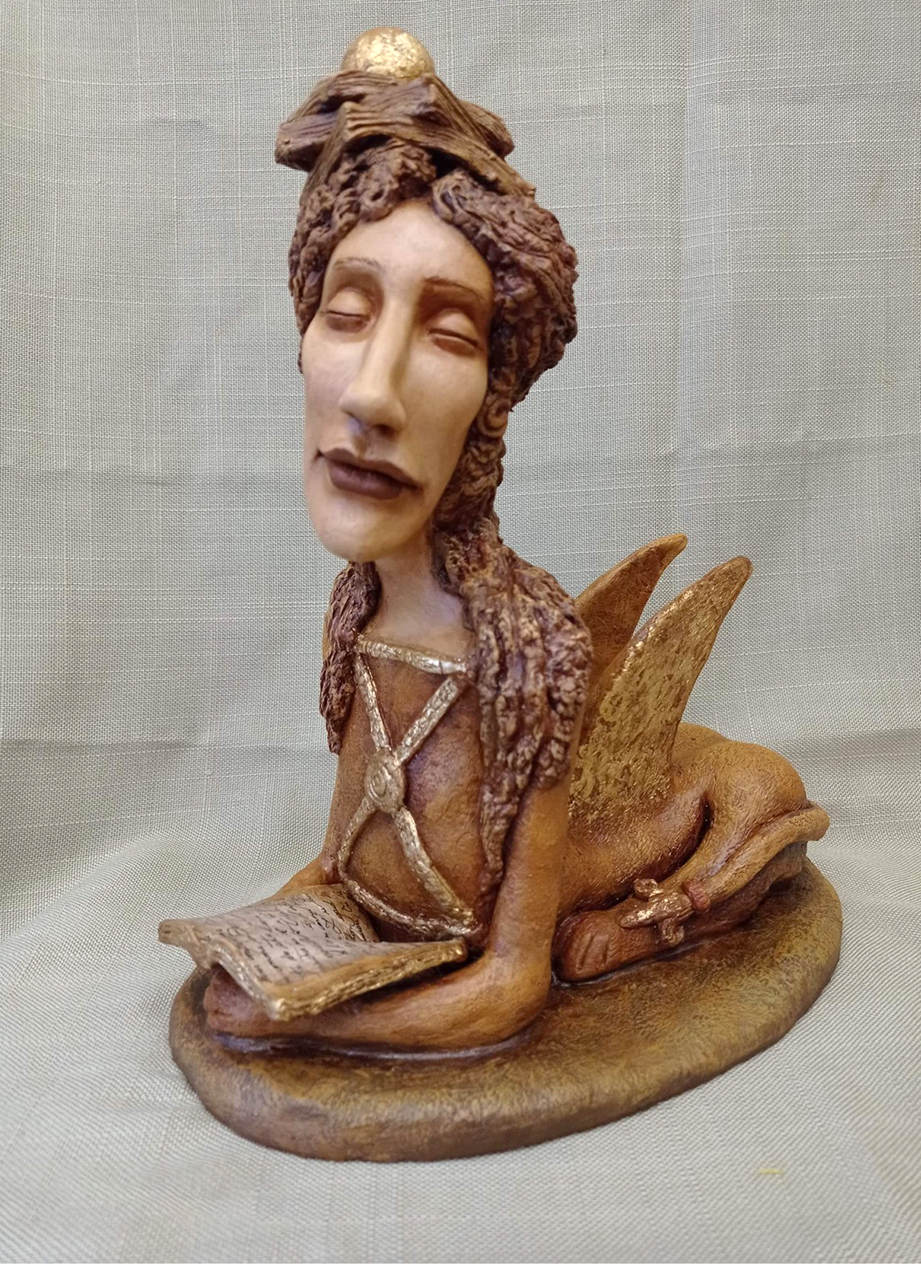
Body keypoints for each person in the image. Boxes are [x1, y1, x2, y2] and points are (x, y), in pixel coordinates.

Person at [199, 34, 829, 1050]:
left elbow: (509, 985)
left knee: (748, 803)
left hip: (664, 840)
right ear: (304, 338)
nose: (372, 393)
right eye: (346, 314)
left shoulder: (528, 652)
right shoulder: (357, 613)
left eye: (449, 336)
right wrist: (256, 963)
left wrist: (306, 1030)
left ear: (490, 401)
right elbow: (339, 869)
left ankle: (676, 915)